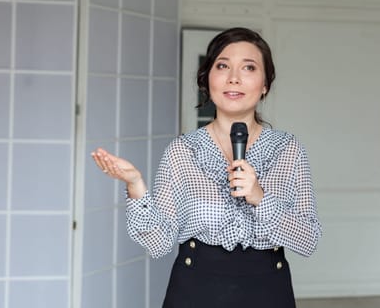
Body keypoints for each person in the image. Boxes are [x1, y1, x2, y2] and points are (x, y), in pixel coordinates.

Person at [91, 27, 321, 307]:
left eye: (248, 67)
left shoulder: (288, 149)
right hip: (194, 291)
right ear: (207, 79)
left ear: (265, 85)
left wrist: (260, 198)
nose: (233, 78)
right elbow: (159, 244)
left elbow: (307, 240)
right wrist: (135, 186)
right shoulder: (182, 151)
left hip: (268, 292)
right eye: (222, 66)